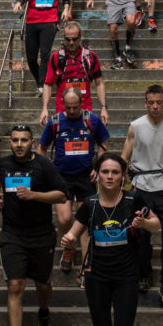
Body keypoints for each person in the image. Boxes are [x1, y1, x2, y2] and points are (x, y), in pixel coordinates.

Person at [61, 152, 160, 326]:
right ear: (96, 175)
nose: (109, 176)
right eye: (105, 171)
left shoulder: (133, 199)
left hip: (126, 275)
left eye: (115, 172)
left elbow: (156, 224)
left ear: (122, 176)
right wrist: (68, 239)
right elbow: (73, 232)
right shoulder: (90, 204)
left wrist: (143, 223)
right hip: (97, 276)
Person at [0, 124, 67, 326]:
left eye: (24, 140)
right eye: (15, 140)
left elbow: (62, 194)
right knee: (15, 285)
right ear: (9, 142)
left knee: (42, 284)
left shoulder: (42, 164)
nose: (19, 144)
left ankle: (44, 314)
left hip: (41, 234)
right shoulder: (2, 164)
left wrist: (34, 195)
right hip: (12, 234)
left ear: (32, 142)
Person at [121, 85, 163, 304]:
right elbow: (124, 157)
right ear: (145, 103)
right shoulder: (136, 126)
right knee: (140, 232)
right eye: (151, 102)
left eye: (159, 102)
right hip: (141, 185)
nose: (155, 106)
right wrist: (121, 181)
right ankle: (143, 273)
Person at [38, 88, 110, 274]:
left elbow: (103, 146)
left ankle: (87, 268)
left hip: (86, 176)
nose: (71, 111)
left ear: (81, 103)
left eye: (75, 107)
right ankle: (68, 249)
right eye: (68, 108)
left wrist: (98, 167)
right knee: (64, 218)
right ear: (63, 104)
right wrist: (44, 173)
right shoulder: (55, 122)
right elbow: (42, 149)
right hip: (61, 176)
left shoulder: (91, 120)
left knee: (84, 223)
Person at [13, 0, 71, 96]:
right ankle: (44, 81)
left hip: (49, 22)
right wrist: (18, 3)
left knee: (45, 55)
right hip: (32, 22)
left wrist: (65, 10)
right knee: (31, 58)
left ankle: (42, 86)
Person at [39, 20, 108, 125]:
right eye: (68, 39)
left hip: (85, 110)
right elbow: (48, 84)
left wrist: (103, 107)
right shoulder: (57, 57)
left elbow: (99, 83)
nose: (71, 42)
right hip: (62, 111)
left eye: (74, 39)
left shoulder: (90, 57)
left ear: (80, 36)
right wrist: (44, 108)